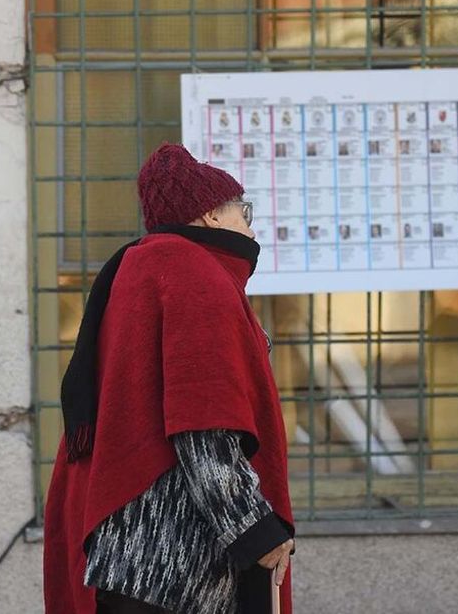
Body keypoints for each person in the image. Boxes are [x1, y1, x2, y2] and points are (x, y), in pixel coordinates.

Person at [44, 143, 296, 614]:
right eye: (242, 209)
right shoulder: (193, 275)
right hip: (181, 557)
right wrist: (254, 528)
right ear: (209, 216)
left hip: (131, 549)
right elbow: (203, 421)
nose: (250, 222)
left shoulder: (144, 265)